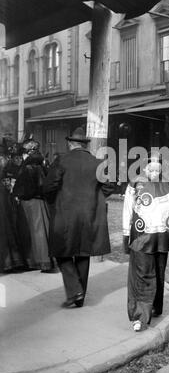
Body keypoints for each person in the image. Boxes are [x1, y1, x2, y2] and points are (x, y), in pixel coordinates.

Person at [43, 127, 115, 308]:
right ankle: (79, 297)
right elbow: (109, 186)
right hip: (89, 214)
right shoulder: (98, 162)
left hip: (65, 214)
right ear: (84, 145)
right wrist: (95, 199)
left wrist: (54, 201)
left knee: (61, 251)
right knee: (83, 253)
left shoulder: (62, 160)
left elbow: (49, 186)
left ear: (70, 143)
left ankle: (75, 290)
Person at [122, 152, 169, 332]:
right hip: (141, 236)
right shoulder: (135, 183)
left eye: (157, 167)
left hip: (162, 236)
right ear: (144, 167)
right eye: (150, 167)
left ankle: (155, 307)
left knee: (159, 272)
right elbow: (127, 209)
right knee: (143, 274)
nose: (154, 171)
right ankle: (141, 317)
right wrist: (125, 236)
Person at [13, 139, 56, 272]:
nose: (23, 155)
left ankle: (38, 261)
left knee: (34, 232)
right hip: (42, 202)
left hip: (30, 203)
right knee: (43, 231)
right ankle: (47, 260)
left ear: (29, 152)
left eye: (24, 152)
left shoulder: (27, 167)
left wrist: (16, 193)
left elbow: (23, 188)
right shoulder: (42, 165)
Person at [0, 143, 26, 273]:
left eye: (20, 158)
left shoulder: (20, 168)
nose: (18, 160)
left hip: (11, 200)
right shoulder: (6, 167)